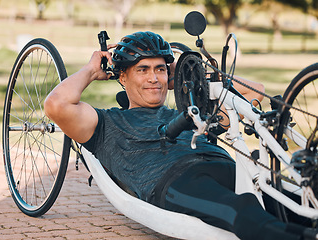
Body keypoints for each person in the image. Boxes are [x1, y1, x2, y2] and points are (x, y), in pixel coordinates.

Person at [44, 31, 316, 240]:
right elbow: (57, 104)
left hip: (223, 165)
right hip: (173, 180)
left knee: (291, 200)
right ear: (123, 77)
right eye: (143, 70)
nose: (154, 78)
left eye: (160, 69)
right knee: (238, 208)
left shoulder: (191, 111)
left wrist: (188, 78)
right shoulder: (107, 123)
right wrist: (92, 70)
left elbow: (254, 91)